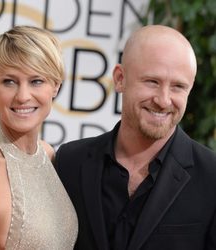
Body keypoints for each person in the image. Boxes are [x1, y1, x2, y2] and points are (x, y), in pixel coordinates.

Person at [55, 25, 216, 250]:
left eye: (178, 87)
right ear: (120, 78)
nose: (163, 100)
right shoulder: (69, 162)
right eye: (152, 82)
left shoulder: (211, 177)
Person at [0, 26, 78, 249]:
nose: (23, 96)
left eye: (36, 81)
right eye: (10, 81)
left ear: (55, 85)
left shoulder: (48, 154)